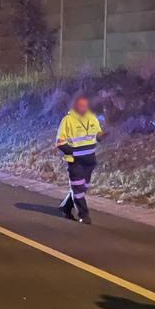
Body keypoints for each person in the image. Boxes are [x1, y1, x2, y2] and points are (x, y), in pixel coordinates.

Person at [56, 92, 104, 225]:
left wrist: (102, 135)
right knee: (78, 190)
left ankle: (66, 207)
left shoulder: (92, 118)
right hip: (75, 162)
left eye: (85, 104)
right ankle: (84, 215)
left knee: (82, 188)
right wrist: (74, 154)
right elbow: (60, 142)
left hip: (90, 161)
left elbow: (97, 136)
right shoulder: (67, 121)